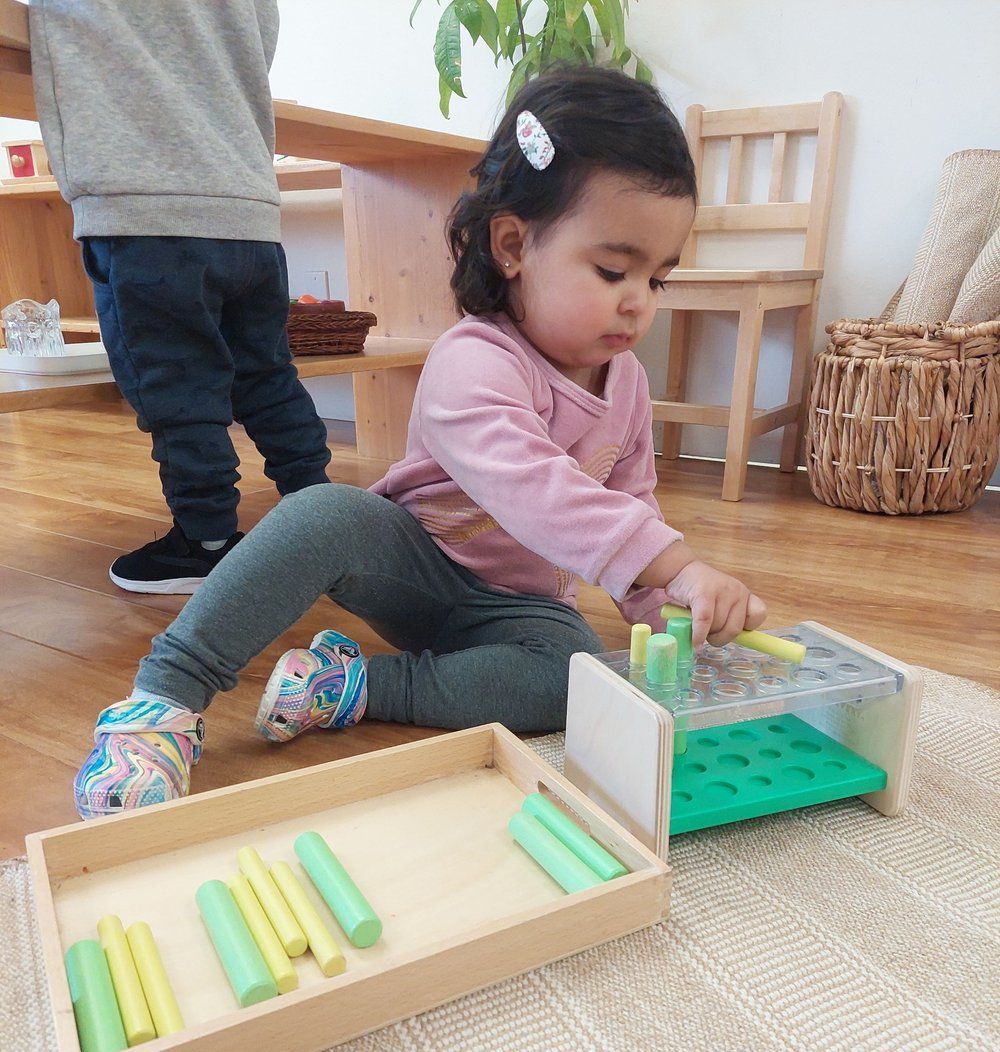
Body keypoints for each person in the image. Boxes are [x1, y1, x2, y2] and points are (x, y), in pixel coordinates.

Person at [73, 65, 766, 818]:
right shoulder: (472, 361)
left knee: (576, 671)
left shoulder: (625, 382)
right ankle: (163, 701)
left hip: (519, 604)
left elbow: (630, 502)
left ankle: (355, 685)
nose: (637, 301)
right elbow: (537, 488)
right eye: (611, 269)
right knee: (322, 511)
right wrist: (685, 562)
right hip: (418, 567)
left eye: (657, 279)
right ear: (512, 245)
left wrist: (667, 609)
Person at [29, 0, 332, 593]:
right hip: (246, 206)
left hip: (146, 205)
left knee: (179, 391)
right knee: (268, 376)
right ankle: (322, 512)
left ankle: (208, 541)